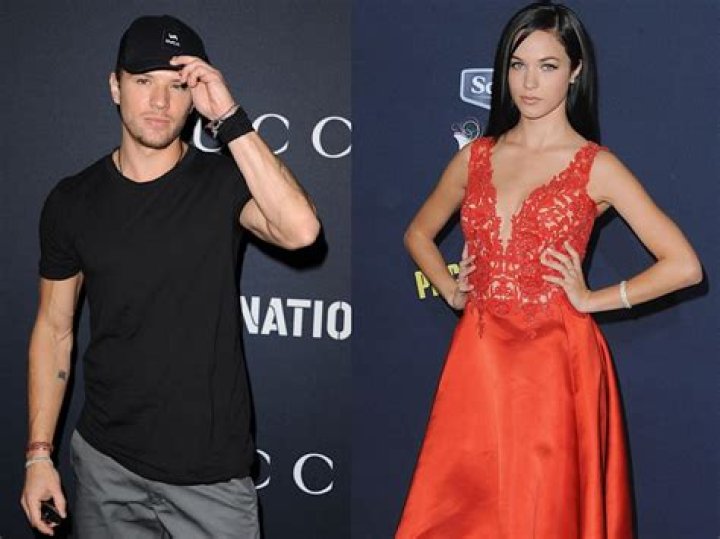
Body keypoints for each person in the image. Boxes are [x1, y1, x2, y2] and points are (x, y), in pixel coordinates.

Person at [397, 3, 702, 538]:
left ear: (575, 71)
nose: (529, 82)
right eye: (518, 65)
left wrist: (593, 299)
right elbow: (417, 233)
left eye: (548, 66)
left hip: (554, 364)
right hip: (478, 357)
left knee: (542, 512)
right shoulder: (476, 157)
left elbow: (684, 266)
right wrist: (450, 288)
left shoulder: (596, 165)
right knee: (459, 512)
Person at [20, 14, 319, 538]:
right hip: (106, 465)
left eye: (178, 86)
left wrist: (228, 116)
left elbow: (300, 231)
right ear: (115, 87)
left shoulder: (225, 182)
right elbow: (54, 329)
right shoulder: (71, 201)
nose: (160, 102)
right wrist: (39, 455)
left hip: (211, 477)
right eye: (144, 81)